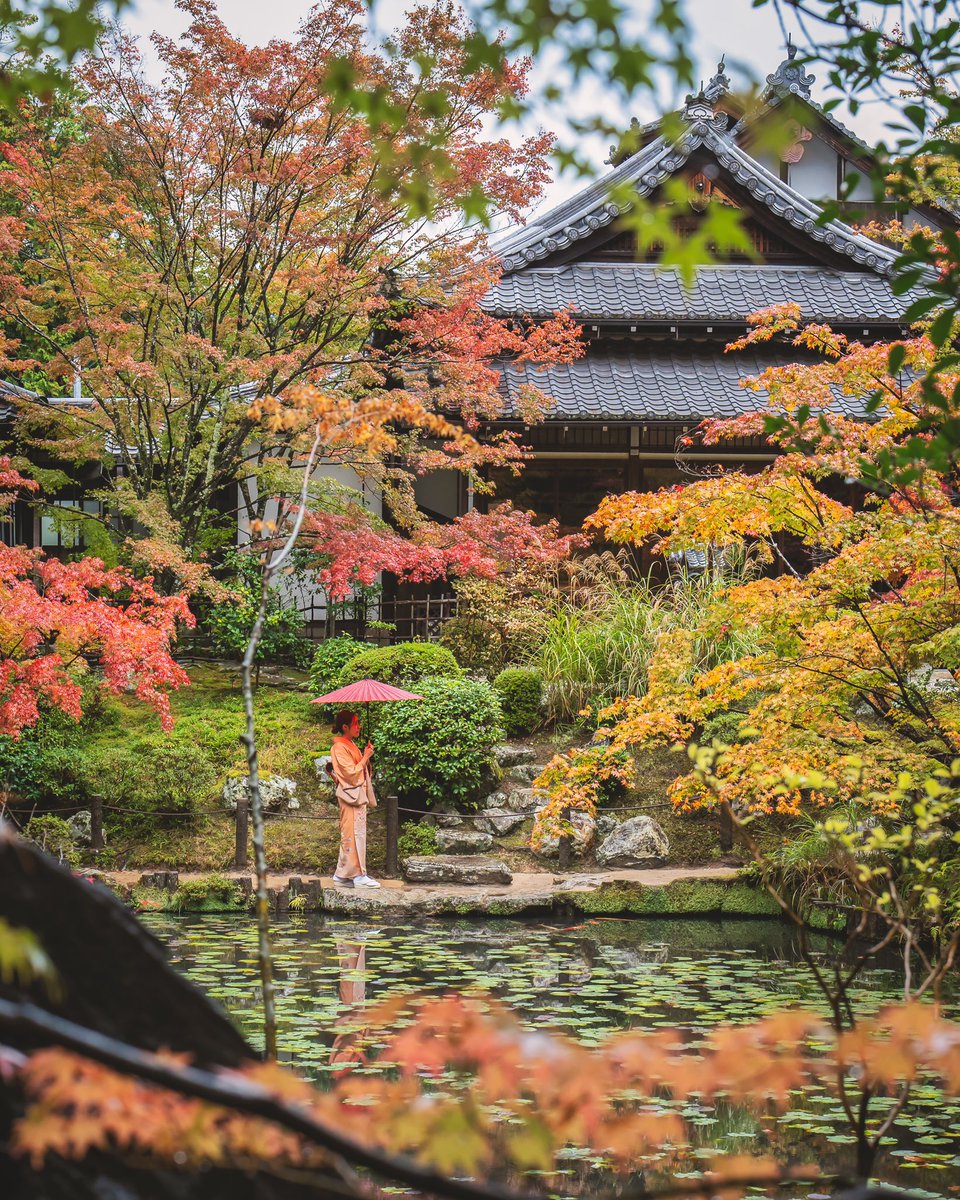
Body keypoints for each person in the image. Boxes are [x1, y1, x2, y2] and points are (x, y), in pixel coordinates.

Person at [329, 709, 380, 888]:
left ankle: (343, 875)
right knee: (351, 834)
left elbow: (361, 770)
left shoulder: (350, 744)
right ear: (345, 727)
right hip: (350, 795)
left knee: (355, 833)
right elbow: (350, 774)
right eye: (355, 723)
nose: (358, 727)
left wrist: (365, 756)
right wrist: (365, 757)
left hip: (357, 795)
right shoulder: (338, 747)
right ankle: (357, 875)